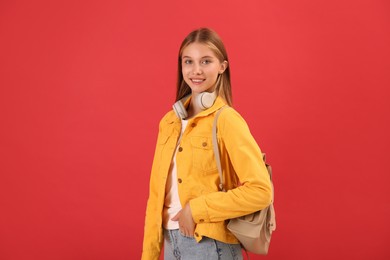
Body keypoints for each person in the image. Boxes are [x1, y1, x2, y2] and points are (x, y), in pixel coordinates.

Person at [142, 28, 272, 260]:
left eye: (206, 61)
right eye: (188, 62)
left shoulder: (226, 120)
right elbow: (156, 197)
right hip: (172, 244)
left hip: (211, 246)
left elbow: (261, 191)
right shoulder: (169, 122)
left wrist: (196, 209)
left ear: (222, 66)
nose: (196, 70)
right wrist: (149, 255)